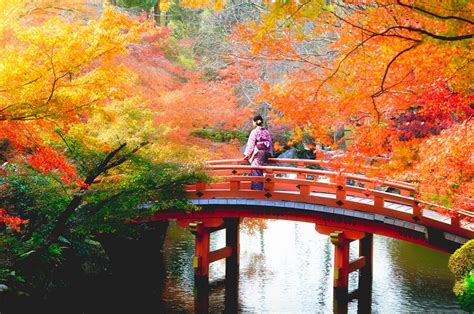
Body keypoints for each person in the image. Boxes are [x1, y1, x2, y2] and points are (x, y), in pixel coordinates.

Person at [243, 115, 273, 190]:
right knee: (259, 170)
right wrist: (270, 153)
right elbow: (270, 142)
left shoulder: (254, 132)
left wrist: (247, 154)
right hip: (265, 152)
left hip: (258, 153)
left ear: (255, 122)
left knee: (256, 169)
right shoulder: (266, 131)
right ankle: (259, 189)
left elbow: (251, 144)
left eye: (253, 122)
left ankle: (257, 191)